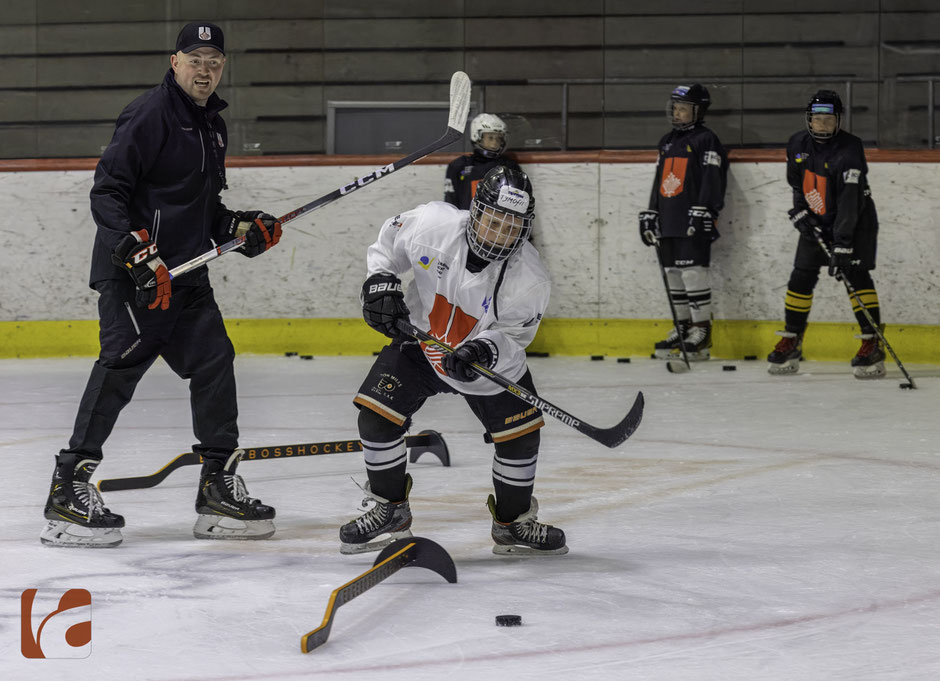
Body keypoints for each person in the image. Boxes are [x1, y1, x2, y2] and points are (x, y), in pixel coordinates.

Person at [40, 22, 283, 548]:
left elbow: (203, 211)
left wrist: (242, 227)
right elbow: (107, 193)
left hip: (187, 275)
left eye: (214, 61)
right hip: (137, 279)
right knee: (121, 369)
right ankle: (68, 488)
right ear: (174, 62)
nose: (205, 69)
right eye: (195, 58)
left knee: (215, 362)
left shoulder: (211, 126)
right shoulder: (151, 113)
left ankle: (217, 487)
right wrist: (136, 254)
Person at [341, 166, 567, 557]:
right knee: (376, 417)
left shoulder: (530, 278)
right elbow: (389, 242)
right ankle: (390, 509)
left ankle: (513, 524)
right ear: (475, 212)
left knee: (521, 437)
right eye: (493, 221)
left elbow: (515, 339)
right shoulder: (433, 223)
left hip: (482, 363)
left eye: (510, 227)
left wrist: (485, 350)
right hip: (419, 341)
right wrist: (380, 281)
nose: (499, 235)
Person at [767, 90, 884, 378]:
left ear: (838, 120)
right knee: (801, 275)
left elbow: (849, 198)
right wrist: (800, 212)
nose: (822, 124)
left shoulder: (850, 148)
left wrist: (843, 243)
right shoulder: (797, 143)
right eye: (817, 119)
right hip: (818, 219)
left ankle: (872, 343)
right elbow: (798, 185)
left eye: (828, 119)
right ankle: (792, 338)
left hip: (855, 222)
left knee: (855, 277)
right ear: (809, 120)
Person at [638, 84, 728, 361]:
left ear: (698, 111)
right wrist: (651, 212)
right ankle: (683, 326)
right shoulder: (666, 141)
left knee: (692, 274)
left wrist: (706, 210)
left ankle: (701, 331)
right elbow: (659, 180)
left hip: (692, 218)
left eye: (684, 109)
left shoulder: (706, 140)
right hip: (668, 219)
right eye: (675, 108)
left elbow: (714, 178)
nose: (677, 113)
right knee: (673, 275)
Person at [444, 113, 523, 210]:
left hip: (499, 223)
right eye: (490, 138)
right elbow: (450, 203)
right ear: (476, 137)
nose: (494, 144)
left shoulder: (510, 167)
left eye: (499, 138)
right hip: (466, 221)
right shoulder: (458, 166)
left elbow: (519, 203)